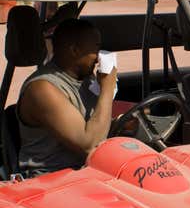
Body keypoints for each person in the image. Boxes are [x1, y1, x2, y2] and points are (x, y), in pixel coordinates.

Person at [18, 18, 117, 174]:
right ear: (75, 51)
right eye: (95, 49)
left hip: (87, 173)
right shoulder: (42, 89)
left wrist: (119, 124)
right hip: (51, 182)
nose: (98, 57)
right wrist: (107, 88)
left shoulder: (85, 78)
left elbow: (95, 122)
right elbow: (90, 146)